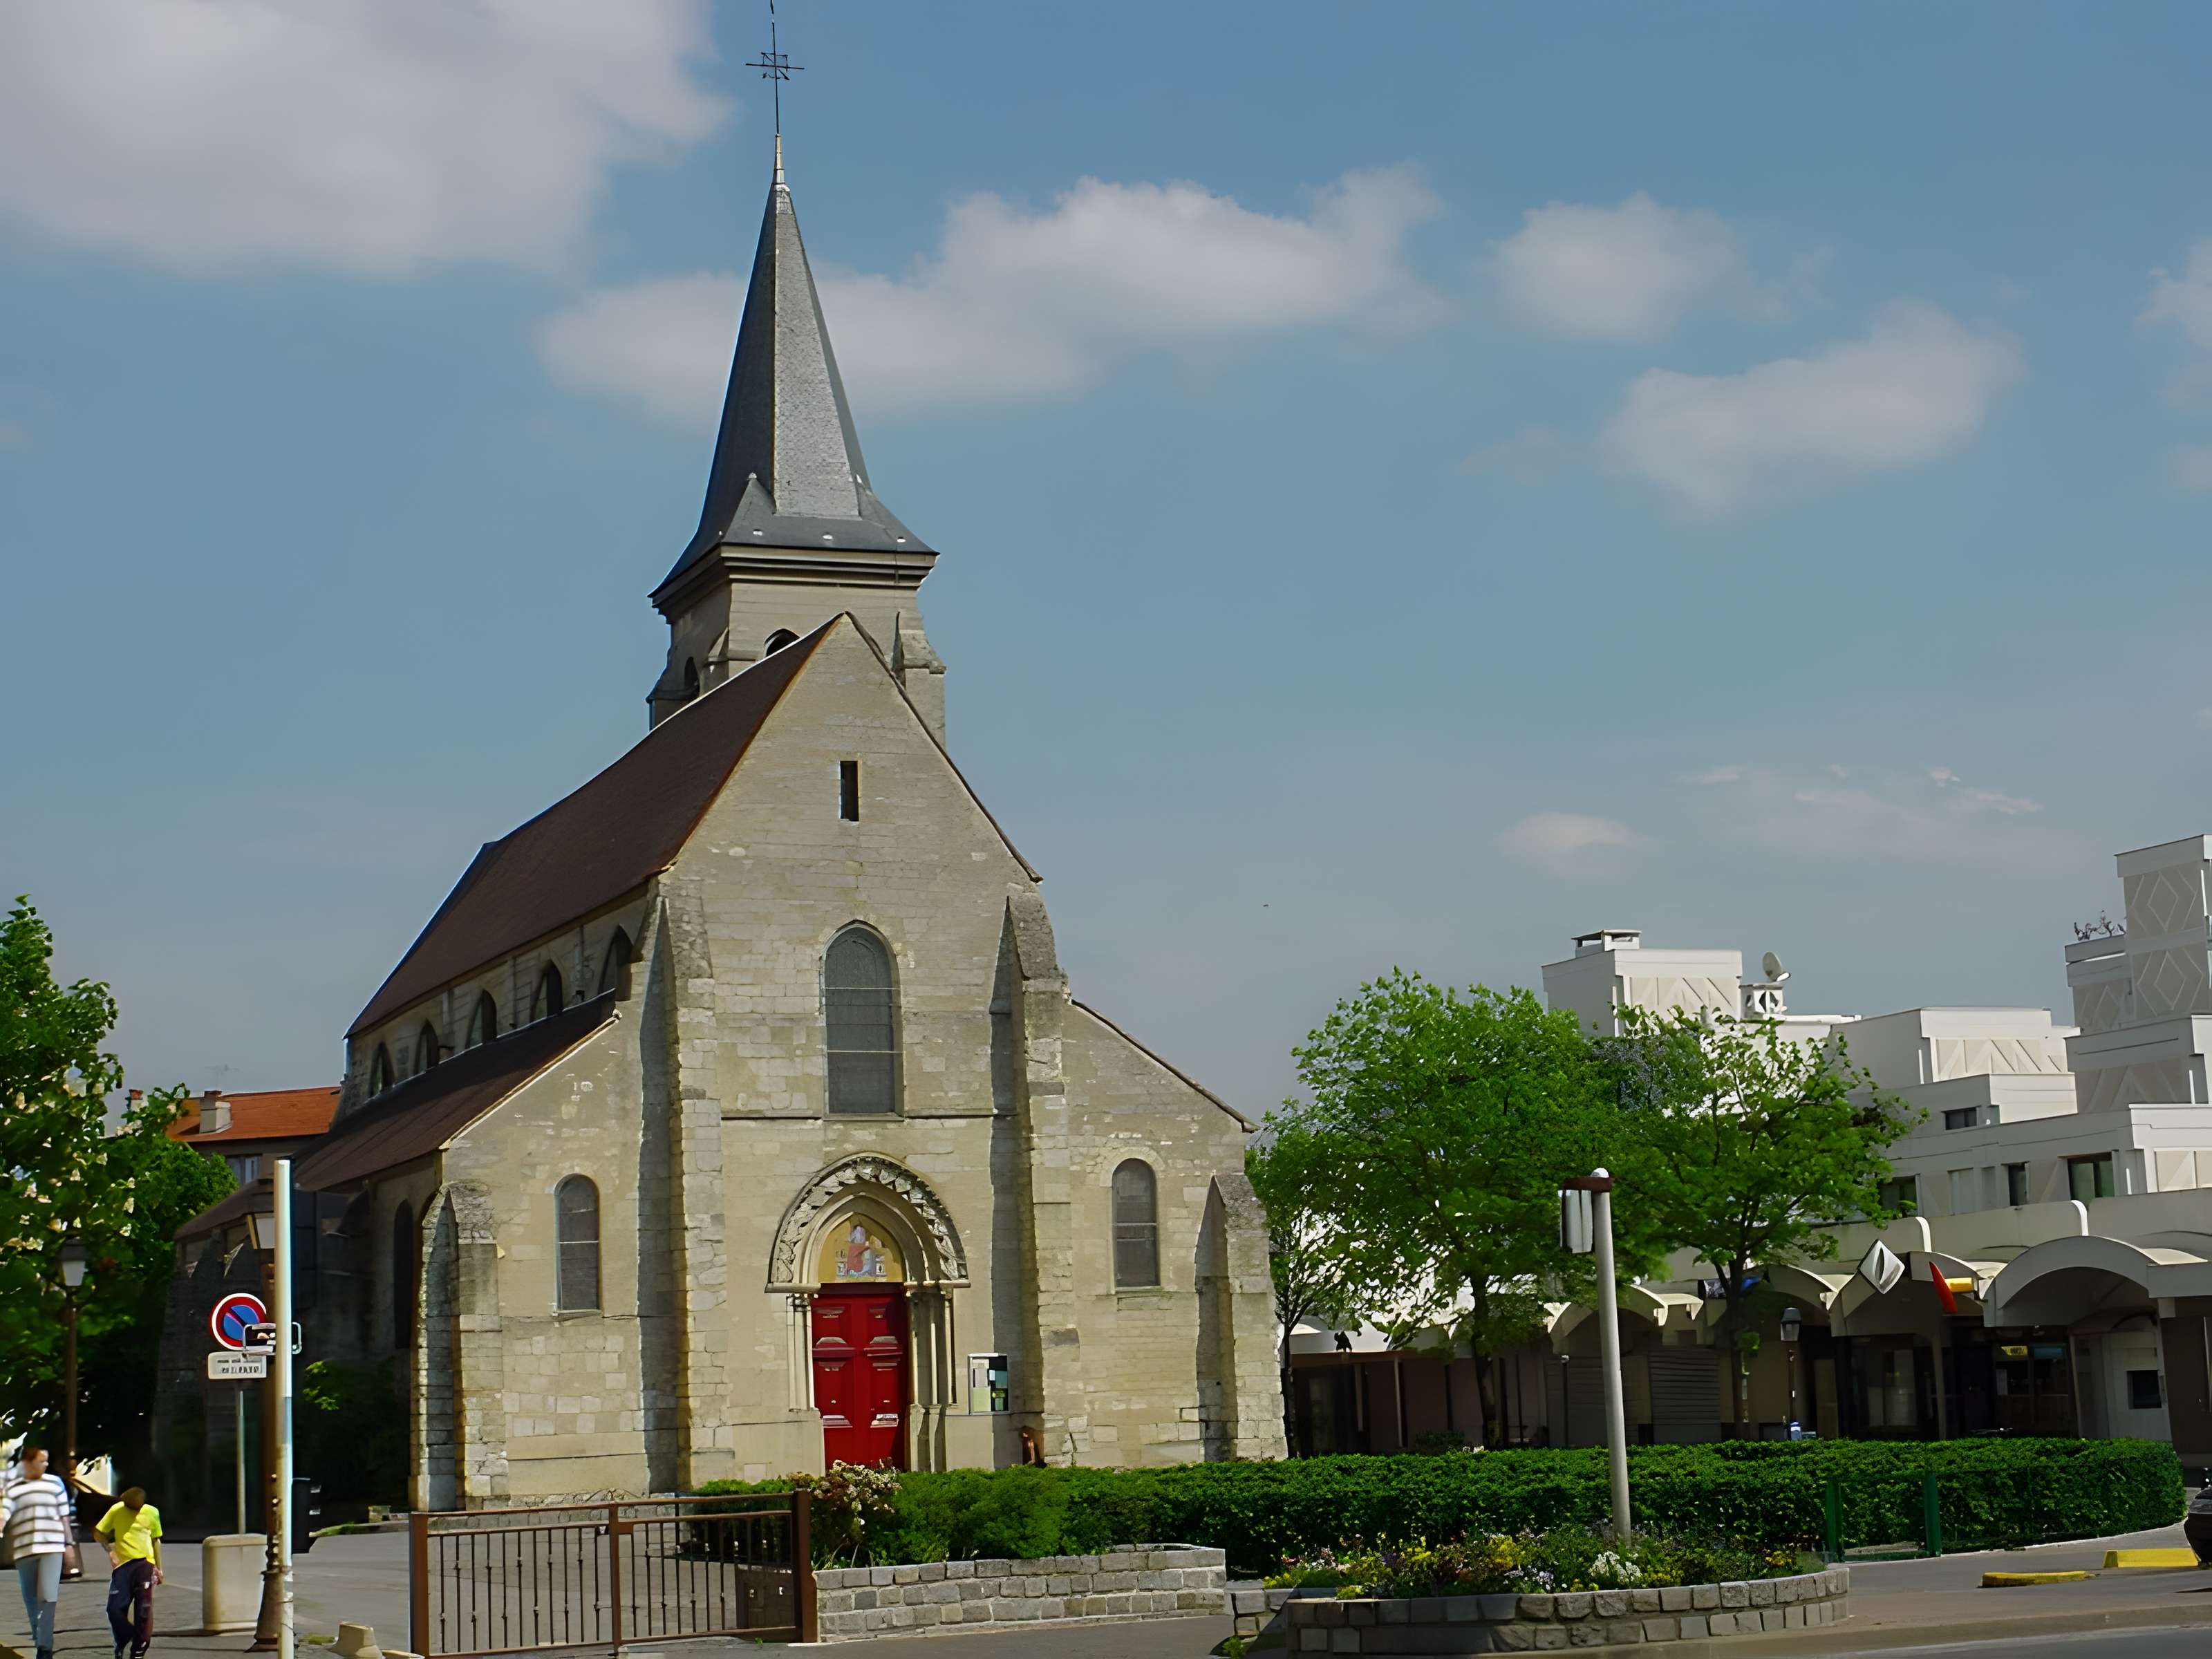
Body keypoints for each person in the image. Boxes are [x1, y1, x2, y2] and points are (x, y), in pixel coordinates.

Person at [2, 1445, 75, 1659]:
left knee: (48, 1597)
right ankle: (38, 1636)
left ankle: (45, 1647)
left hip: (52, 1547)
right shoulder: (14, 1487)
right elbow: (4, 1513)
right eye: (41, 1461)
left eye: (46, 1461)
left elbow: (64, 1516)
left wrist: (69, 1544)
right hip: (24, 1549)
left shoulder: (55, 1483)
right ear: (28, 1462)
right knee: (31, 1599)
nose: (45, 1465)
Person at [93, 1488, 161, 1659]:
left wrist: (159, 1568)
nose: (134, 1512)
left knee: (144, 1610)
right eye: (131, 1508)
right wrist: (110, 1549)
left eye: (137, 1509)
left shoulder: (152, 1513)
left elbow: (156, 1541)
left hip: (145, 1564)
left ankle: (138, 1651)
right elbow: (98, 1532)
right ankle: (125, 1638)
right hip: (123, 1566)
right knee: (114, 1609)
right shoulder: (116, 1510)